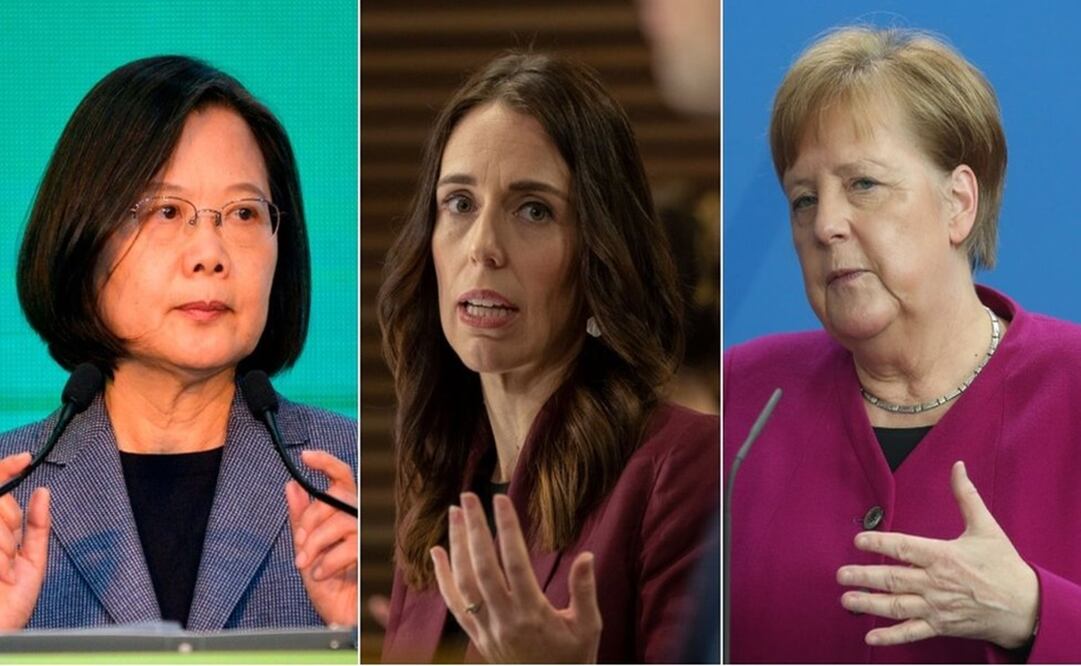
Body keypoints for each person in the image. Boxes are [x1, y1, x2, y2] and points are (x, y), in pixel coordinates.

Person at [724, 26, 1081, 662]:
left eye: (863, 185)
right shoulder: (744, 397)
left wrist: (1031, 611)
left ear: (958, 203)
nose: (826, 225)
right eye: (803, 199)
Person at [376, 52, 719, 663]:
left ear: (598, 258)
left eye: (533, 209)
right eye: (459, 204)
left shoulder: (685, 468)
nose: (483, 247)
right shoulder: (437, 497)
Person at [0, 56, 357, 631]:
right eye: (167, 211)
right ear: (82, 236)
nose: (210, 254)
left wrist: (365, 635)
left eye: (243, 212)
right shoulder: (8, 489)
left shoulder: (353, 482)